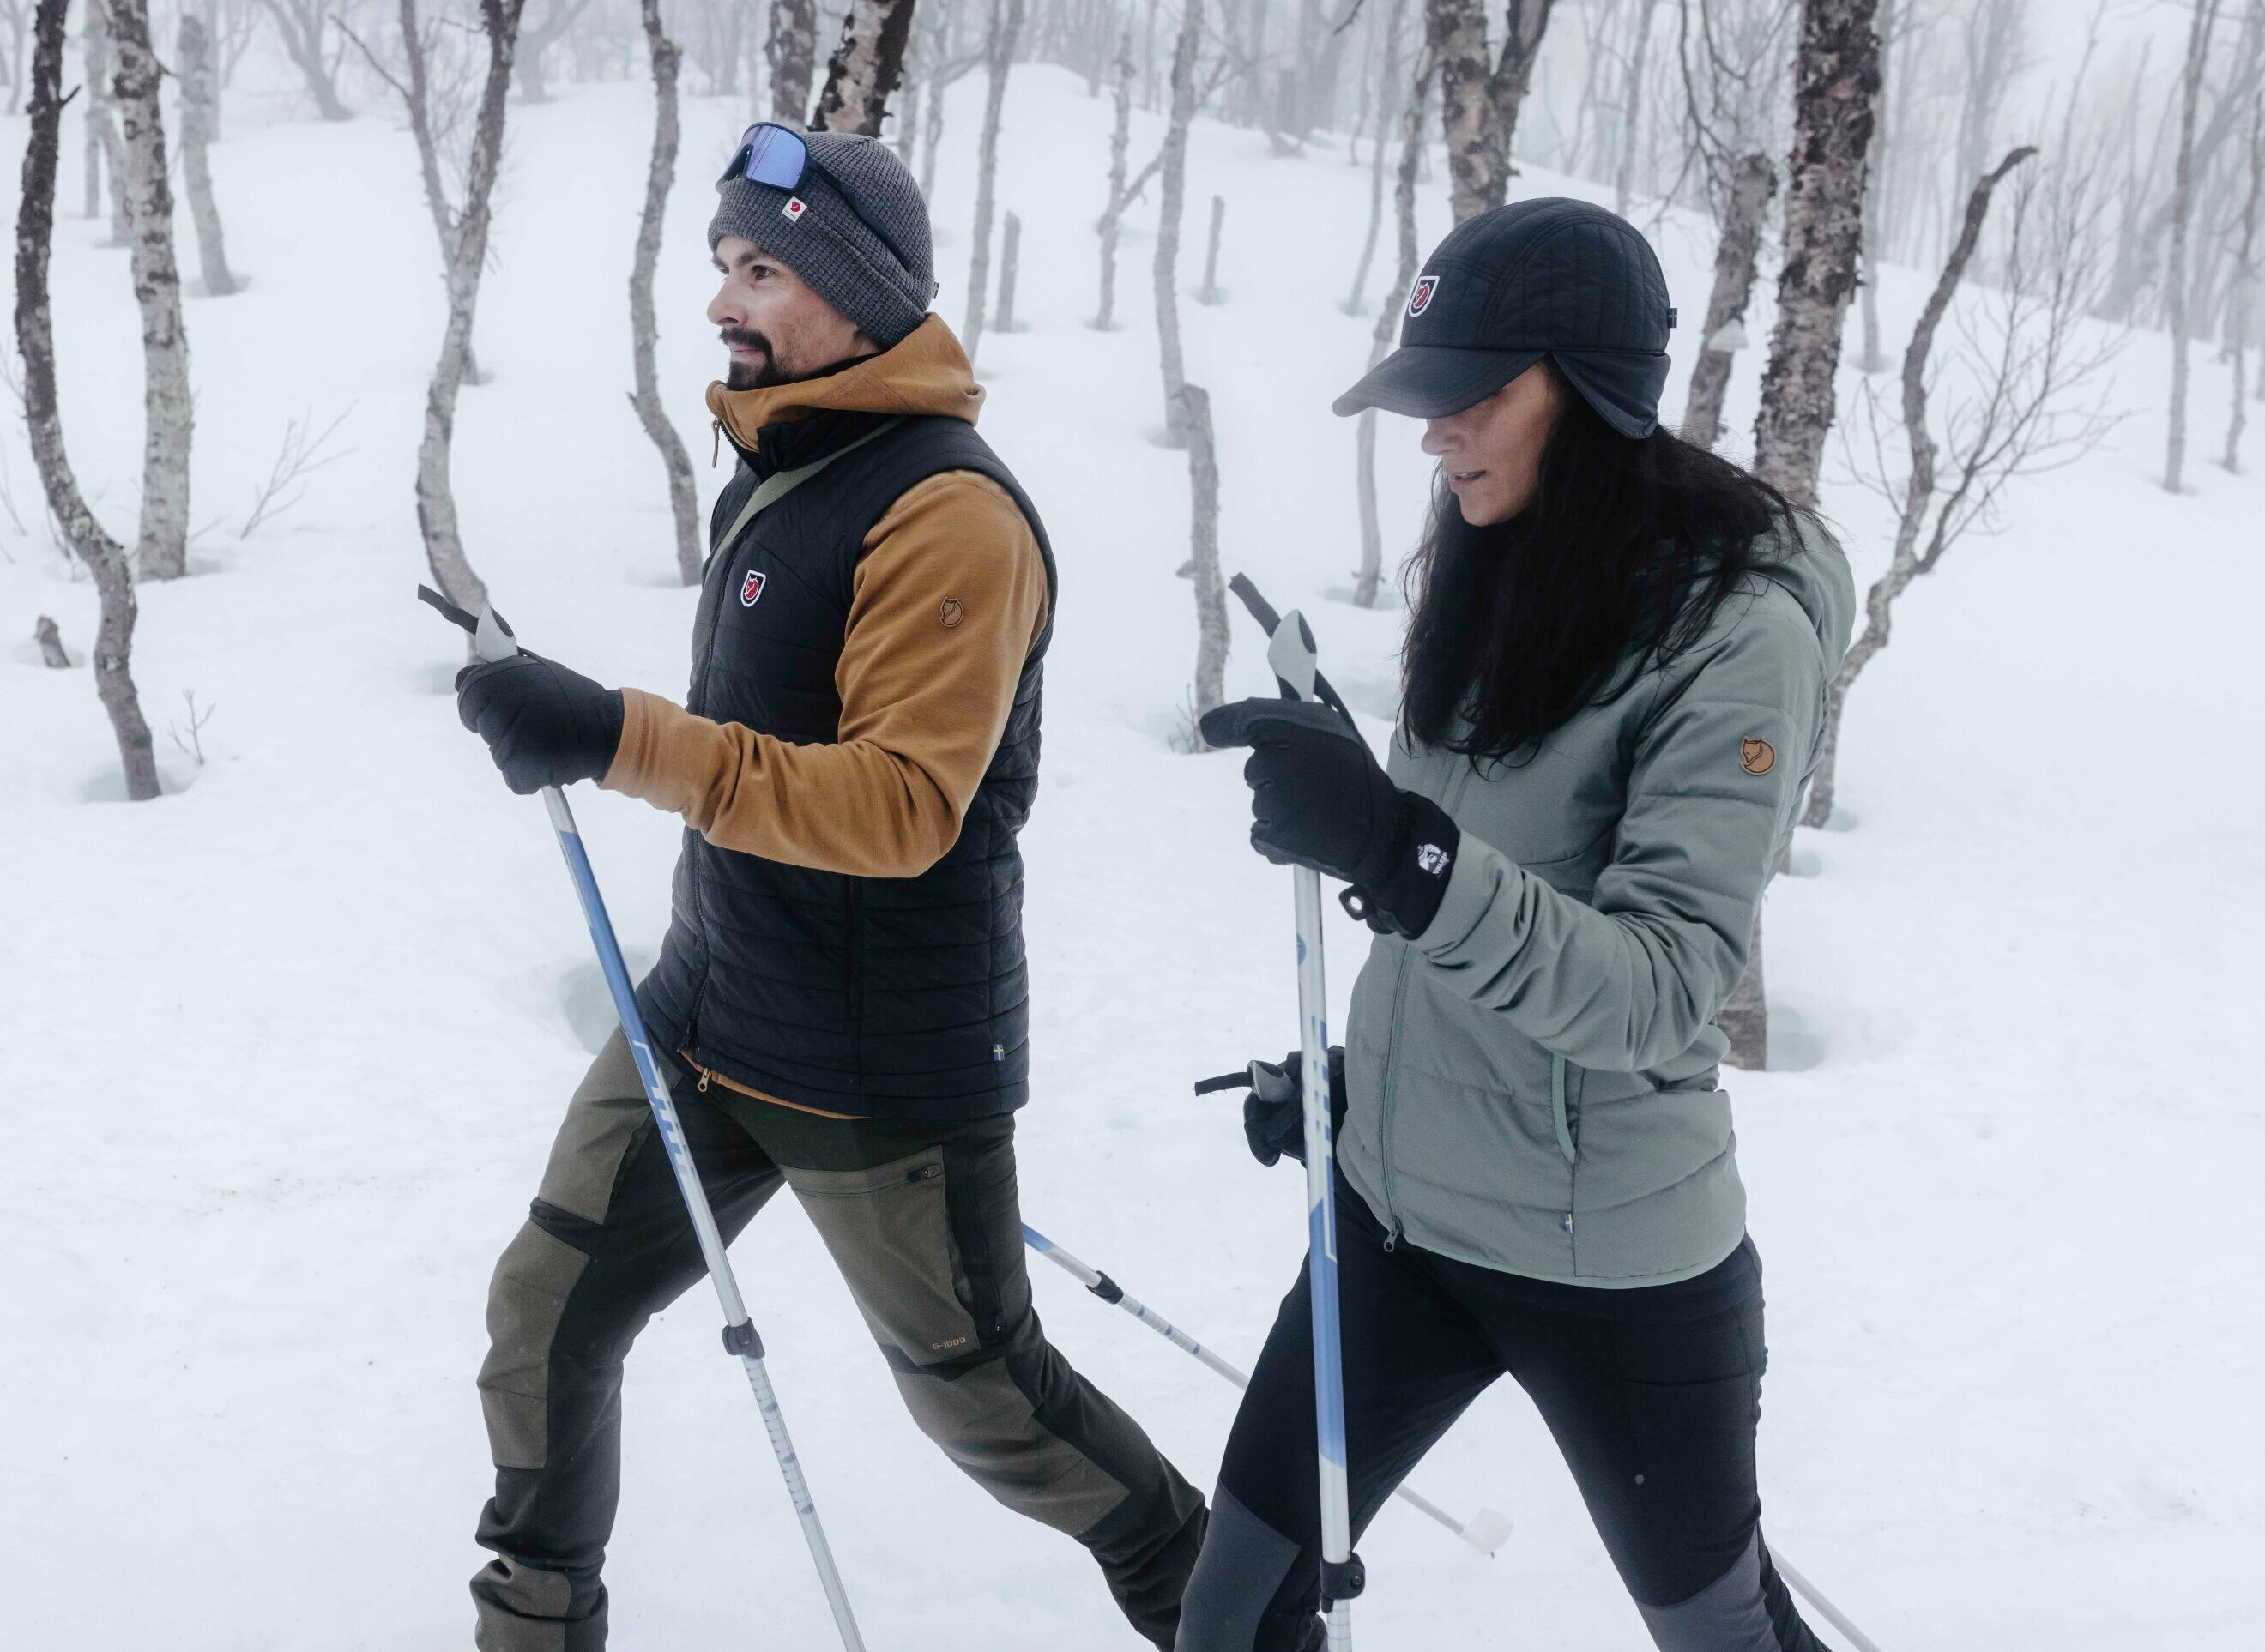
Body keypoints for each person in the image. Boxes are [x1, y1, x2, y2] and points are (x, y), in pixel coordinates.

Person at [451, 124, 1206, 1652]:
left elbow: (903, 804)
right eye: (724, 264)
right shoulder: (786, 459)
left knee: (990, 1406)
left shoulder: (949, 513)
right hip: (709, 1005)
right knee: (546, 1310)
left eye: (767, 268)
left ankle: (1232, 1609)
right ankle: (533, 1627)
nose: (727, 301)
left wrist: (610, 735)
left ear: (861, 292)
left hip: (878, 1061)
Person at [1181, 197, 1854, 1652]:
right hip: (1399, 1223)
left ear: (1596, 392)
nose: (1437, 433)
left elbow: (1664, 984)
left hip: (1613, 1261)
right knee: (1230, 1621)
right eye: (1429, 398)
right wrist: (1374, 1079)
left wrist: (1392, 844)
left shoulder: (1742, 635)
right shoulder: (1502, 556)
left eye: (1475, 395)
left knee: (1725, 1636)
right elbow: (1475, 889)